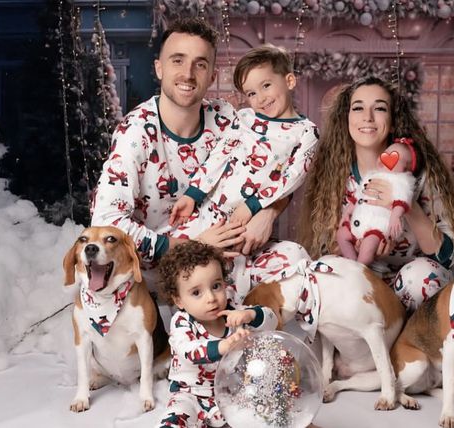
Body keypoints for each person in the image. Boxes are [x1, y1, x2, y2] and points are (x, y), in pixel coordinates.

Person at [90, 19, 309, 302]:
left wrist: (268, 213)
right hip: (158, 268)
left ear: (212, 75)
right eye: (177, 60)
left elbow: (281, 166)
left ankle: (242, 316)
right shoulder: (136, 132)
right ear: (159, 68)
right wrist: (192, 246)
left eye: (200, 64)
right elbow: (106, 223)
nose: (188, 74)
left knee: (295, 261)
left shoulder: (226, 118)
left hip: (226, 255)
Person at [299, 75, 454, 311]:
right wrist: (364, 249)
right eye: (358, 108)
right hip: (362, 283)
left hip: (410, 288)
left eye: (379, 108)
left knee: (420, 277)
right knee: (320, 274)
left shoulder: (419, 175)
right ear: (346, 118)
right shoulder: (334, 176)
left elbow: (447, 257)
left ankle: (408, 333)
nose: (367, 117)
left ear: (393, 120)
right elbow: (327, 247)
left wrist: (407, 205)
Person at [169, 44, 318, 237]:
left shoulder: (306, 132)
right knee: (181, 247)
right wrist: (193, 194)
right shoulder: (245, 117)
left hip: (246, 220)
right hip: (208, 208)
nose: (261, 98)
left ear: (289, 81)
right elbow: (220, 155)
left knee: (228, 253)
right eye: (251, 93)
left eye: (266, 86)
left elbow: (292, 177)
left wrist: (252, 205)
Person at [155, 240, 277, 428]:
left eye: (216, 286)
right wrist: (224, 346)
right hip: (190, 395)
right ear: (179, 300)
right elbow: (190, 351)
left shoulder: (234, 313)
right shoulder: (181, 322)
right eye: (197, 292)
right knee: (176, 418)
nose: (211, 298)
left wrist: (251, 314)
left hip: (231, 393)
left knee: (267, 412)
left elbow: (272, 321)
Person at [336, 139, 417, 266]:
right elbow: (358, 196)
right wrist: (347, 212)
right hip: (356, 225)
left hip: (376, 229)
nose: (385, 158)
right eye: (385, 154)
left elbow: (402, 201)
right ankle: (351, 263)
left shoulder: (401, 181)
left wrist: (395, 216)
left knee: (369, 246)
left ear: (405, 168)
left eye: (394, 157)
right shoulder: (371, 175)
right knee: (341, 234)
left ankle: (360, 266)